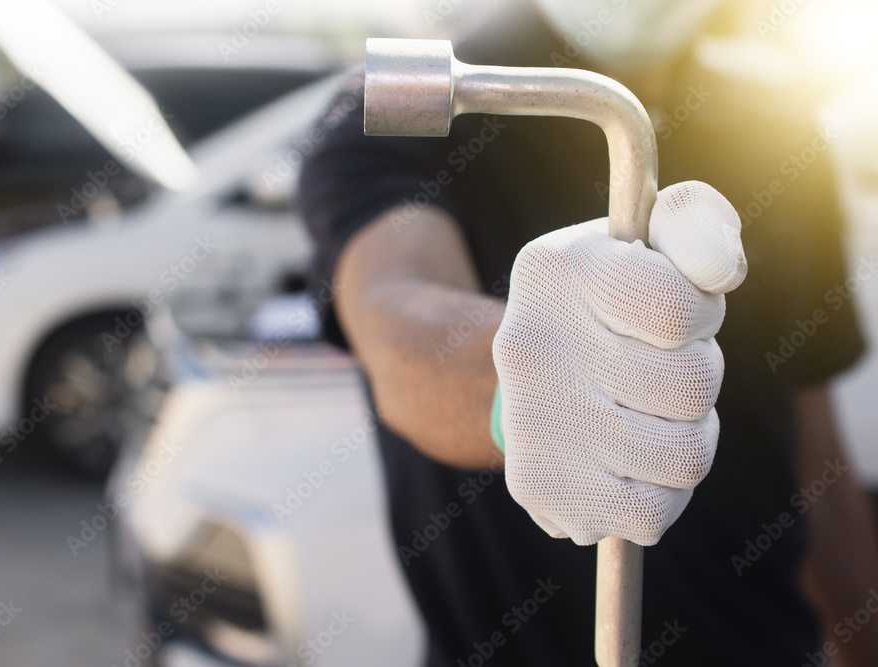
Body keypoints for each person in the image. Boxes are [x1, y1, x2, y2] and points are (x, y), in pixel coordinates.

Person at [297, 0, 878, 664]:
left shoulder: (777, 127)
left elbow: (818, 460)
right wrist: (524, 385)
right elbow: (398, 322)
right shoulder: (417, 107)